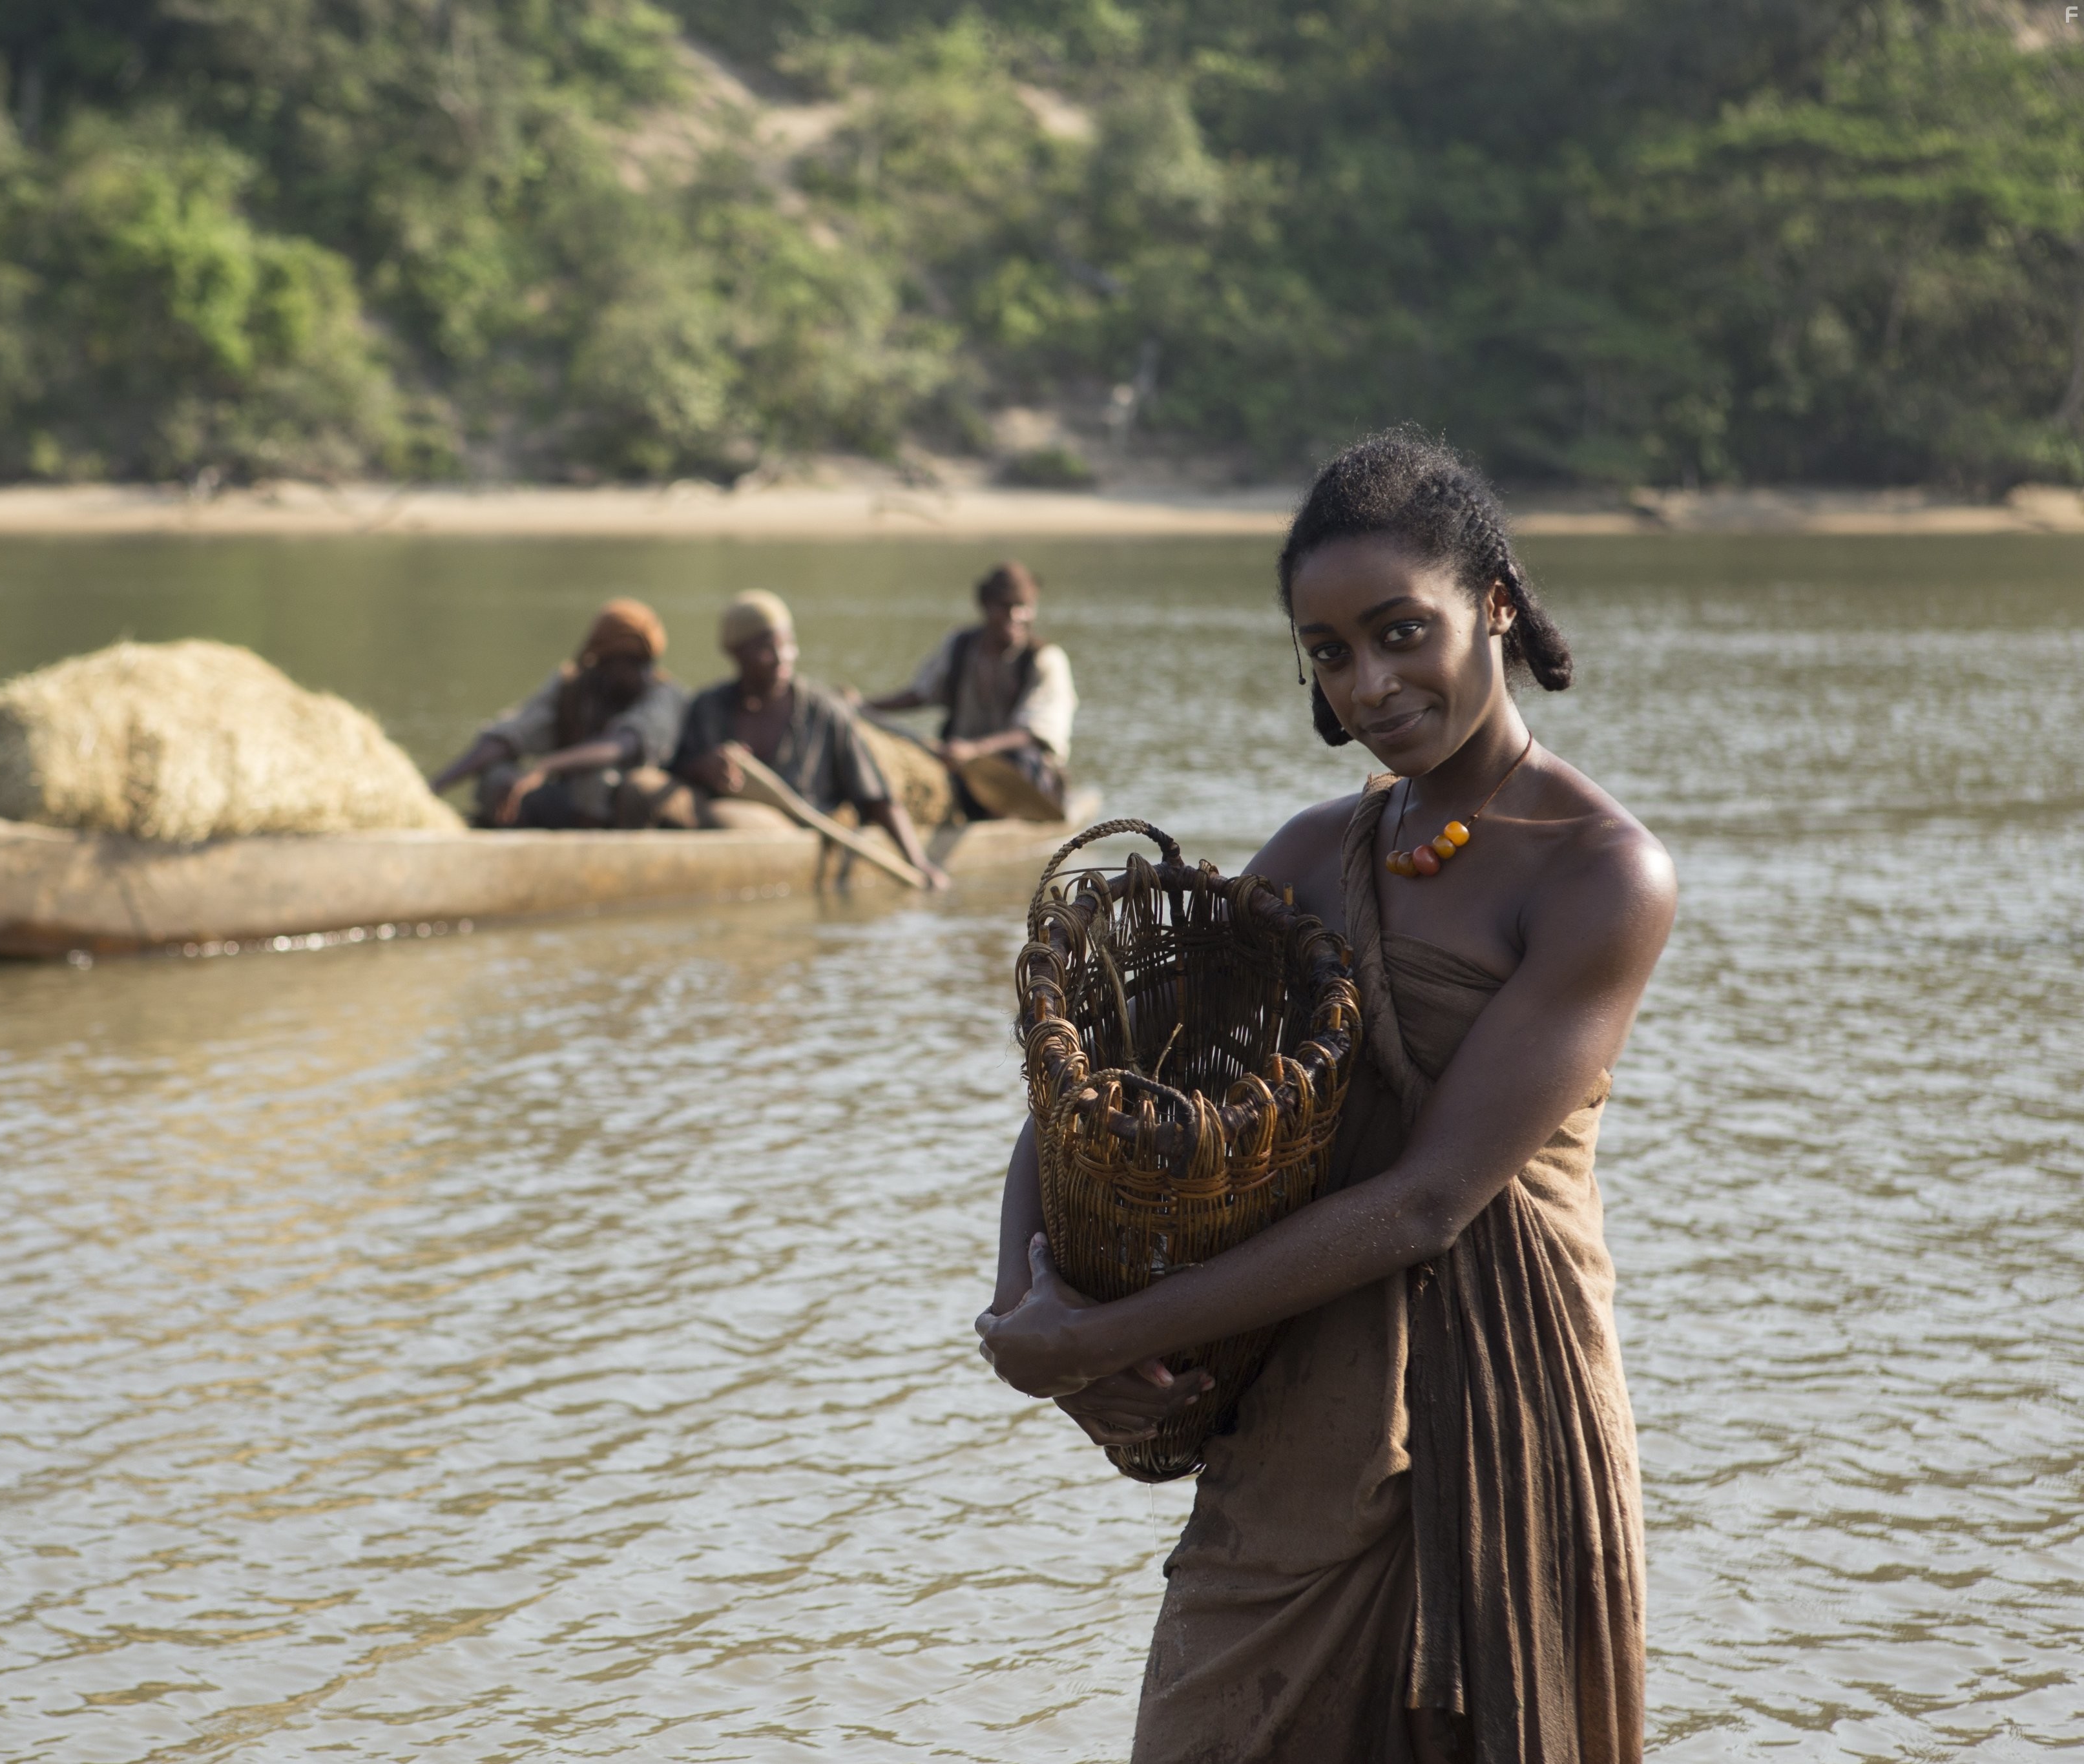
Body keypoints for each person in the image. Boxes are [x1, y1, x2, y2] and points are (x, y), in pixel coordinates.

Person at [975, 432, 1674, 1763]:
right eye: (1328, 651)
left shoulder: (1600, 876)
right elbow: (1095, 1101)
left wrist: (1089, 1343)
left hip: (1501, 1403)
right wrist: (1037, 1308)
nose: (1369, 681)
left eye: (1400, 631)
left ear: (1496, 606)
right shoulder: (1313, 852)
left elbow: (1422, 1205)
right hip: (1299, 1411)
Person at [672, 590, 951, 889]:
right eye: (766, 648)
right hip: (726, 825)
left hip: (801, 827)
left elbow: (876, 798)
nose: (782, 658)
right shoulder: (708, 708)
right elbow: (677, 770)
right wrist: (704, 768)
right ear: (736, 653)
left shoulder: (825, 711)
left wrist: (919, 863)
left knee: (725, 819)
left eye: (788, 645)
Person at [430, 599, 687, 829]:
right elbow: (512, 734)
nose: (639, 673)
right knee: (499, 777)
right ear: (602, 660)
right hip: (568, 799)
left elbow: (620, 746)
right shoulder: (572, 687)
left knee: (597, 780)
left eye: (644, 663)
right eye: (629, 662)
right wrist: (435, 787)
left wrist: (543, 767)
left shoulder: (664, 695)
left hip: (628, 812)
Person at [860, 561, 1076, 821]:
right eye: (1005, 607)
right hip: (960, 763)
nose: (1015, 617)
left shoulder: (1045, 660)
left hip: (1019, 779)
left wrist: (975, 750)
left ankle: (1002, 823)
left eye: (1023, 608)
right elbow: (920, 694)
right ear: (986, 606)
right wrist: (865, 706)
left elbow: (1034, 733)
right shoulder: (960, 646)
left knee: (1022, 760)